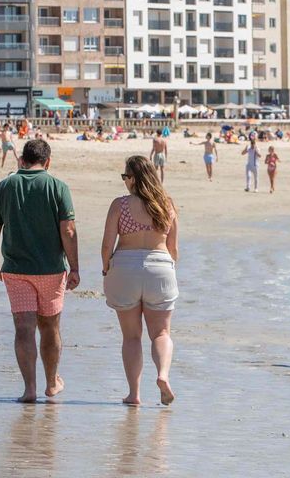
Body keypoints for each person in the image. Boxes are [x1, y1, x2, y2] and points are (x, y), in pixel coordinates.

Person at [0, 139, 79, 403]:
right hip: (50, 269)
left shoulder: (5, 186)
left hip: (16, 270)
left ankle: (29, 389)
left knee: (24, 328)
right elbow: (68, 230)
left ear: (22, 160)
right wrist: (75, 267)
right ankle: (51, 384)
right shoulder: (58, 186)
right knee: (50, 327)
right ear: (47, 162)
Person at [101, 155, 179, 406]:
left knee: (131, 337)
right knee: (161, 332)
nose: (124, 181)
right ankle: (163, 375)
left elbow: (106, 246)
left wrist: (106, 268)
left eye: (125, 176)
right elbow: (173, 248)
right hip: (160, 267)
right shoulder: (167, 204)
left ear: (133, 178)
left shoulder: (120, 205)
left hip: (125, 267)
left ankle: (134, 394)